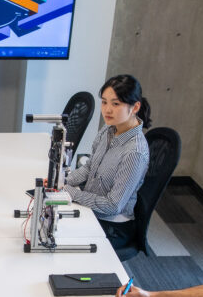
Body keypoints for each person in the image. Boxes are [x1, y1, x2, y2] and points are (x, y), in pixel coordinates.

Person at [63, 74, 151, 251]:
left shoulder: (134, 152)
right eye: (104, 102)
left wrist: (69, 193)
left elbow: (112, 206)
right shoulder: (108, 129)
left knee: (60, 241)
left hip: (113, 226)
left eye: (116, 104)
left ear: (135, 107)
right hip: (91, 211)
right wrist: (62, 183)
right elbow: (89, 168)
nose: (107, 110)